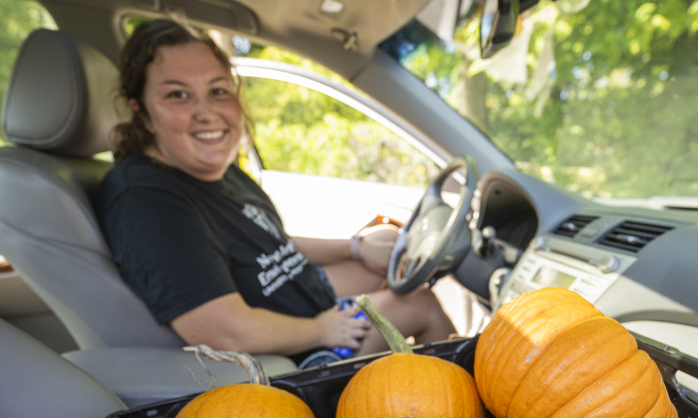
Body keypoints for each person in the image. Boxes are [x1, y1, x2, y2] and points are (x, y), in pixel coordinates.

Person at [96, 18, 456, 366]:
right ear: (141, 113)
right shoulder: (145, 199)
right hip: (295, 360)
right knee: (419, 303)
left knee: (389, 244)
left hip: (305, 300)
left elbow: (272, 242)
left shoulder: (216, 173)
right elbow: (226, 333)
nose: (206, 112)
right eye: (178, 95)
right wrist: (321, 330)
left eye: (218, 90)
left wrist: (356, 247)